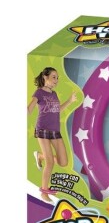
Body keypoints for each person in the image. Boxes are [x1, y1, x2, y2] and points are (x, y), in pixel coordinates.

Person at [27, 67, 78, 202]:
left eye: (57, 78)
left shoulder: (54, 94)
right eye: (54, 77)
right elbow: (29, 108)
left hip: (55, 130)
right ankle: (44, 192)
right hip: (42, 130)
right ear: (45, 77)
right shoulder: (39, 92)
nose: (56, 80)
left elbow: (57, 110)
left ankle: (40, 156)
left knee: (63, 162)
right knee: (50, 162)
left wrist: (70, 101)